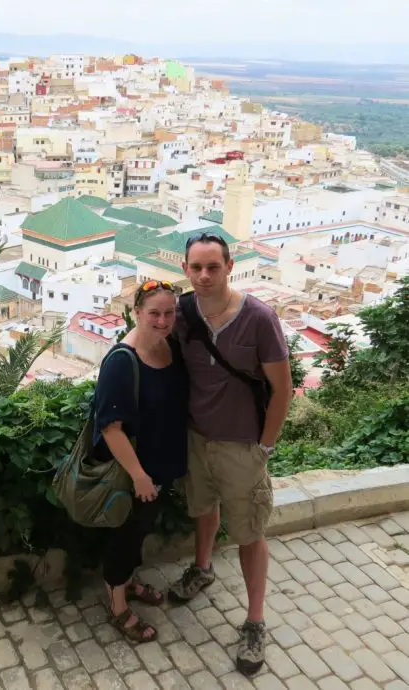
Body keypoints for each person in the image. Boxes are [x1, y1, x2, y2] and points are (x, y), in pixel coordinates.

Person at [169, 233, 292, 676]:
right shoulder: (182, 312)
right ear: (185, 268)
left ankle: (255, 620)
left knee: (249, 533)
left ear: (229, 266)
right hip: (197, 437)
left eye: (212, 267)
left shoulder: (259, 318)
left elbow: (283, 389)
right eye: (196, 267)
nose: (204, 276)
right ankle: (202, 568)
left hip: (243, 446)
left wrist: (265, 447)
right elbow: (145, 332)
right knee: (203, 510)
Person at [93, 279, 188, 643]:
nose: (163, 321)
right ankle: (117, 604)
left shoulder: (168, 348)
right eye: (154, 314)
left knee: (139, 531)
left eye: (169, 313)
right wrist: (138, 476)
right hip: (133, 474)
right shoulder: (122, 361)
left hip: (159, 468)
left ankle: (128, 583)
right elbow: (111, 428)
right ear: (136, 314)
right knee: (125, 535)